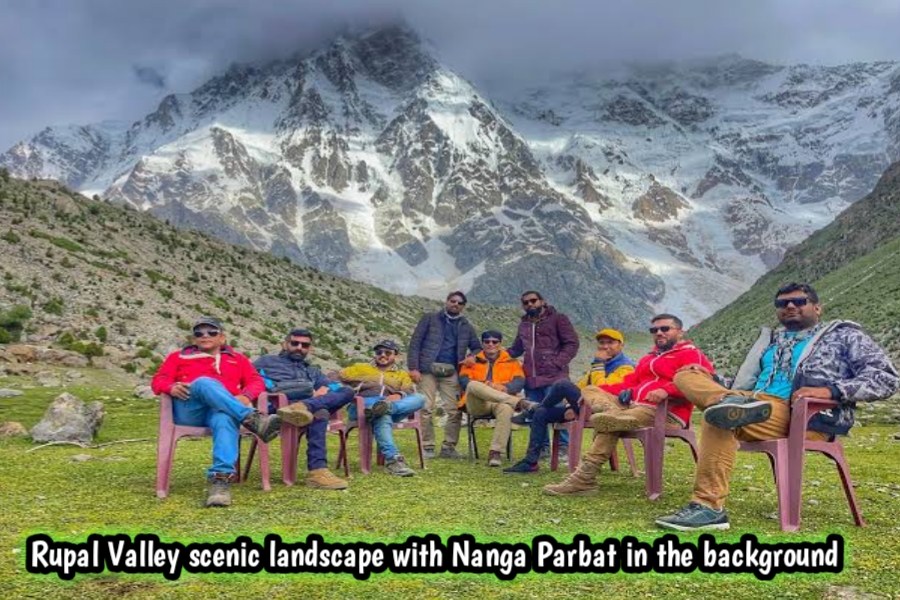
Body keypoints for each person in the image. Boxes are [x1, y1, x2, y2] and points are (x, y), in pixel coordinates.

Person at [656, 283, 899, 531]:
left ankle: (707, 506)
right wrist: (713, 380)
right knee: (687, 375)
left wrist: (831, 391)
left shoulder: (844, 335)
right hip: (755, 403)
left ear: (817, 308)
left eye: (799, 301)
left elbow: (887, 378)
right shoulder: (772, 341)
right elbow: (749, 383)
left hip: (804, 414)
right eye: (782, 304)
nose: (790, 306)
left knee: (719, 415)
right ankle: (728, 403)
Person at [534, 315, 713, 495]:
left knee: (611, 421)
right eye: (654, 330)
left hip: (666, 413)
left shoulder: (691, 353)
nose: (659, 333)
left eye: (665, 329)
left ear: (680, 332)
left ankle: (583, 479)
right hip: (632, 409)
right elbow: (629, 383)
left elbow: (701, 380)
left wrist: (668, 390)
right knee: (590, 390)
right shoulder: (647, 359)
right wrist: (603, 392)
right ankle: (613, 414)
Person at [151, 316, 280, 507]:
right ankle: (252, 419)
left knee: (224, 418)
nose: (205, 336)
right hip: (189, 410)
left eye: (211, 332)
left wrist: (245, 396)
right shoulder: (178, 357)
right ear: (194, 338)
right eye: (199, 333)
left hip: (222, 410)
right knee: (204, 382)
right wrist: (170, 387)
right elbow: (158, 380)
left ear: (222, 338)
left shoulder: (238, 359)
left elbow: (256, 381)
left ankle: (220, 482)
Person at [503, 327, 636, 474]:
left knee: (562, 384)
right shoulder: (602, 364)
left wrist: (598, 363)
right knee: (542, 412)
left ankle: (531, 410)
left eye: (610, 343)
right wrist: (570, 406)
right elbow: (581, 386)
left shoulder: (625, 366)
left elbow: (602, 390)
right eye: (602, 343)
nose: (605, 347)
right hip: (586, 407)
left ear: (620, 344)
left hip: (605, 409)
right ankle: (530, 462)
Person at [254, 328, 355, 490]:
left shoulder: (312, 370)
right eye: (295, 343)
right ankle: (317, 471)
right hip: (280, 407)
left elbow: (331, 386)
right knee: (320, 410)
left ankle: (304, 407)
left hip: (308, 407)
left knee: (347, 392)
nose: (299, 347)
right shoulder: (267, 361)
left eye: (305, 345)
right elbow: (255, 383)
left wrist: (323, 391)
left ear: (310, 349)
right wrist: (306, 390)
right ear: (285, 344)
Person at [407, 291, 482, 459]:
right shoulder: (430, 318)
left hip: (451, 371)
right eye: (452, 301)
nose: (455, 304)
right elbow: (415, 343)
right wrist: (414, 368)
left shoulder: (466, 326)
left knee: (455, 410)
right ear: (447, 302)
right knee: (425, 407)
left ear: (463, 307)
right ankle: (427, 446)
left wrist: (472, 357)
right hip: (427, 370)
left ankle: (449, 447)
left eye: (460, 303)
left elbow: (477, 347)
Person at [507, 291, 580, 459]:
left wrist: (556, 363)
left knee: (557, 410)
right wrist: (497, 354)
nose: (530, 304)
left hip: (554, 376)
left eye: (533, 300)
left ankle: (563, 447)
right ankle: (543, 447)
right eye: (526, 302)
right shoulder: (523, 325)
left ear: (542, 301)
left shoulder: (558, 318)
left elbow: (572, 343)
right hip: (531, 378)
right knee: (536, 413)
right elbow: (517, 349)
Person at [339, 340, 427, 476]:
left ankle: (385, 408)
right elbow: (339, 375)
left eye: (387, 352)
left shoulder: (402, 375)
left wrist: (398, 394)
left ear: (396, 356)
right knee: (382, 414)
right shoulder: (361, 367)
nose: (383, 355)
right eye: (379, 352)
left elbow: (408, 390)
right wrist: (353, 385)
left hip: (391, 406)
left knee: (420, 398)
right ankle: (393, 461)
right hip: (361, 407)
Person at [458, 330, 529, 466]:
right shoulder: (471, 360)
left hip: (500, 401)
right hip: (477, 403)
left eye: (495, 341)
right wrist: (488, 386)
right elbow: (464, 382)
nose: (491, 344)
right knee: (473, 384)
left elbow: (519, 382)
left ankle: (495, 453)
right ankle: (519, 403)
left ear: (500, 344)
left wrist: (504, 388)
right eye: (487, 341)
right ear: (482, 343)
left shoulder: (511, 361)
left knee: (506, 409)